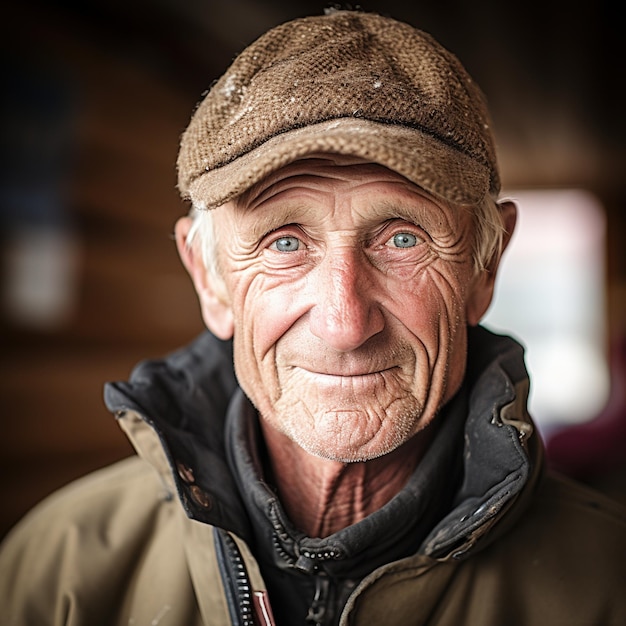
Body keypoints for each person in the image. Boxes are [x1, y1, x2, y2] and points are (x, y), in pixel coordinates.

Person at [1, 9, 624, 626]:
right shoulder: (60, 571)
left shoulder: (606, 583)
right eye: (284, 242)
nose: (346, 323)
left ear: (484, 268)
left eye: (402, 240)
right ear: (208, 279)